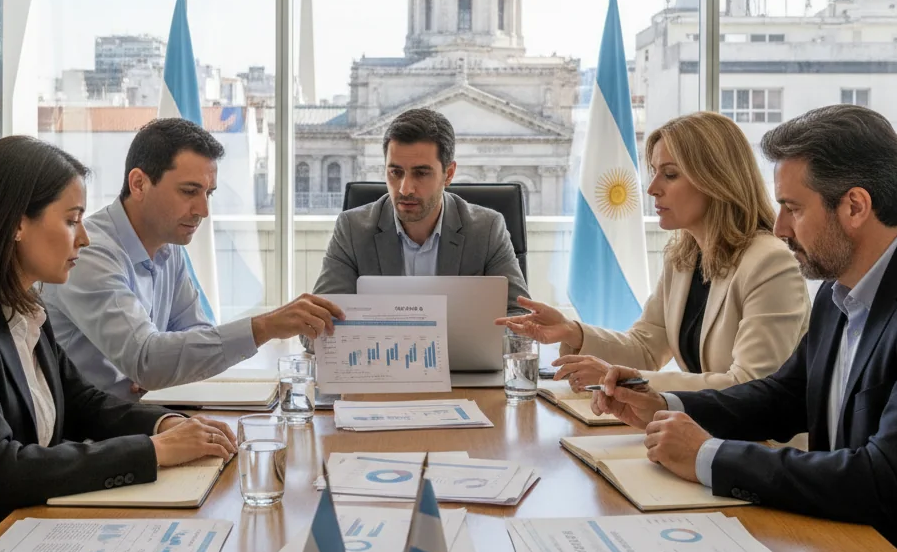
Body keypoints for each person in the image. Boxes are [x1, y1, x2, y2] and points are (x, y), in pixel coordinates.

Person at [592, 105, 897, 552]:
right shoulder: (839, 287)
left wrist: (708, 456)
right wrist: (662, 405)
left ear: (854, 207)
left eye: (794, 208)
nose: (780, 228)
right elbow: (782, 396)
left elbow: (885, 480)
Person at [0, 136, 237, 552]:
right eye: (72, 220)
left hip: (30, 537)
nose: (85, 236)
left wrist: (166, 423)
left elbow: (83, 402)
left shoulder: (24, 307)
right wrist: (153, 451)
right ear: (17, 224)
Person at [498, 112, 809, 392]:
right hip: (702, 431)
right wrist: (573, 331)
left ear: (716, 180)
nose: (652, 188)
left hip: (759, 447)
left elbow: (750, 385)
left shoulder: (770, 262)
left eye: (670, 174)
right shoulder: (684, 258)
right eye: (655, 172)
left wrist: (627, 379)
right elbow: (645, 349)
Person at [43, 119, 343, 399]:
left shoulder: (169, 246)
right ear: (139, 184)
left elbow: (196, 333)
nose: (203, 210)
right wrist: (264, 327)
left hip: (142, 417)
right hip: (86, 437)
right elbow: (148, 361)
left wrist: (163, 366)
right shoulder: (88, 251)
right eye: (189, 192)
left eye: (208, 194)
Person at [312, 108, 528, 315]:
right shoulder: (352, 230)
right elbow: (315, 325)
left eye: (421, 173)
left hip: (462, 355)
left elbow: (520, 320)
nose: (405, 189)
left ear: (449, 174)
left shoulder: (487, 230)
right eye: (395, 172)